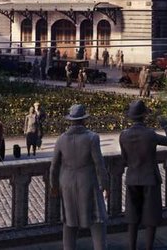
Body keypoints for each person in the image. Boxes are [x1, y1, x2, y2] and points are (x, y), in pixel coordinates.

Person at [119, 100, 167, 250]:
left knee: (132, 218)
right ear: (144, 116)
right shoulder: (150, 134)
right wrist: (166, 125)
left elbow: (125, 158)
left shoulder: (123, 135)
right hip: (149, 178)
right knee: (151, 218)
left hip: (132, 177)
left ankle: (132, 247)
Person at [49, 104, 108, 250]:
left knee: (69, 223)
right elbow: (99, 165)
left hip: (67, 185)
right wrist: (105, 185)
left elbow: (54, 166)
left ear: (70, 120)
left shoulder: (61, 139)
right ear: (84, 120)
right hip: (88, 183)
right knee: (97, 221)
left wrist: (54, 186)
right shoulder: (92, 138)